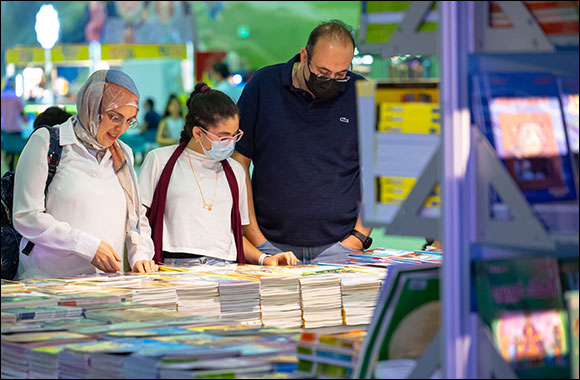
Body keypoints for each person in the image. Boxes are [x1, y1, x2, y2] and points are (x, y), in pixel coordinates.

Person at [233, 20, 372, 264]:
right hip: (270, 245)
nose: (331, 81)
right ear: (304, 55)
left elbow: (379, 171)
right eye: (323, 73)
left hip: (341, 247)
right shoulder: (263, 86)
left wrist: (358, 237)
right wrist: (255, 239)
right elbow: (239, 162)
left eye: (341, 74)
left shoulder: (361, 93)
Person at [13, 69, 157, 279]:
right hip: (49, 283)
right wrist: (87, 246)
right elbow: (26, 215)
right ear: (92, 105)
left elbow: (135, 216)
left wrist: (141, 255)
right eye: (115, 117)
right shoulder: (47, 142)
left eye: (129, 120)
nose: (121, 128)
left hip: (106, 286)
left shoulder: (122, 153)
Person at [139, 83, 299, 267]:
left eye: (234, 135)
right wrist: (140, 256)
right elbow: (137, 219)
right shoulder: (160, 160)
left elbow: (235, 236)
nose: (231, 143)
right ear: (198, 132)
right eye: (223, 137)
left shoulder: (235, 171)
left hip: (226, 270)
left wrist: (264, 259)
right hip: (175, 268)